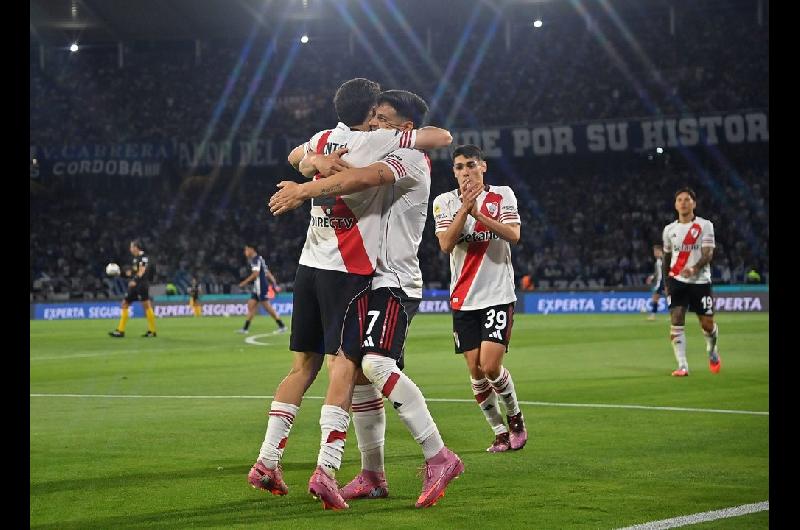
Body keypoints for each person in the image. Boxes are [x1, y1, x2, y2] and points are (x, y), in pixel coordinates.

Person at [246, 78, 453, 510]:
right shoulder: (366, 141)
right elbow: (305, 159)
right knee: (357, 374)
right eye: (375, 115)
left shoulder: (408, 156)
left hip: (392, 280)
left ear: (403, 127)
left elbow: (365, 176)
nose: (377, 122)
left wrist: (306, 183)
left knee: (370, 364)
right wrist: (316, 163)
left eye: (386, 119)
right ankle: (373, 474)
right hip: (359, 274)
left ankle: (438, 455)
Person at [432, 144, 528, 453]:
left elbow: (513, 235)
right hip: (463, 299)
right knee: (475, 372)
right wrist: (465, 210)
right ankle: (499, 431)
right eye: (459, 167)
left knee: (489, 367)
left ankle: (515, 418)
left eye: (470, 165)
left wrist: (479, 215)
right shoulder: (444, 202)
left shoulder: (502, 195)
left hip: (497, 294)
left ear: (482, 167)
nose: (465, 171)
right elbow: (446, 244)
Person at [662, 187, 721, 376]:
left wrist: (694, 268)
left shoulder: (705, 226)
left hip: (700, 281)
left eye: (687, 199)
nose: (683, 203)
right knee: (676, 318)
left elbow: (708, 253)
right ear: (675, 205)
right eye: (679, 200)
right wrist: (666, 283)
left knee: (707, 324)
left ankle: (712, 350)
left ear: (694, 203)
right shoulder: (669, 230)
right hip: (676, 280)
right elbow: (666, 257)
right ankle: (682, 365)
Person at [109, 239, 157, 338]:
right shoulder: (136, 259)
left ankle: (152, 331)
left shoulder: (144, 258)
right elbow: (131, 273)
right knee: (125, 304)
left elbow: (141, 271)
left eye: (131, 247)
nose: (130, 249)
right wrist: (120, 273)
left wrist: (135, 280)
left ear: (136, 247)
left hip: (141, 285)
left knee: (146, 306)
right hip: (135, 285)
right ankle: (120, 331)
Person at [237, 244, 286, 334]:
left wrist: (244, 283)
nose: (245, 252)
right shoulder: (260, 259)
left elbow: (256, 274)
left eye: (246, 250)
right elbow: (267, 272)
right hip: (257, 287)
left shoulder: (255, 260)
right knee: (251, 306)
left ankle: (282, 326)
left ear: (252, 249)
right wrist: (274, 283)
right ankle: (245, 329)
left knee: (267, 307)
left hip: (261, 287)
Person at [644, 244, 665, 320]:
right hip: (659, 282)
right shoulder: (658, 260)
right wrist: (652, 277)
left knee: (669, 298)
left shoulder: (664, 259)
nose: (654, 253)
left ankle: (653, 315)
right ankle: (653, 315)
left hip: (664, 282)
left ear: (659, 251)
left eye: (655, 251)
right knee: (655, 298)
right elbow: (657, 272)